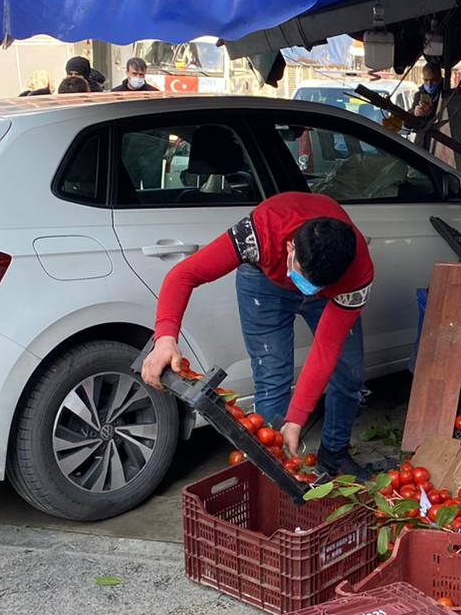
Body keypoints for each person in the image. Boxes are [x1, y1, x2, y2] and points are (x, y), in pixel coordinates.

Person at [139, 188, 374, 476]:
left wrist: (297, 419)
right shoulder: (258, 233)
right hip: (264, 281)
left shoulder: (357, 272)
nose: (306, 289)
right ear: (290, 249)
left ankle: (334, 452)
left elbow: (326, 349)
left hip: (331, 291)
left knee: (349, 371)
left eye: (317, 285)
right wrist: (165, 338)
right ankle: (274, 469)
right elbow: (183, 275)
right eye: (302, 274)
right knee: (272, 374)